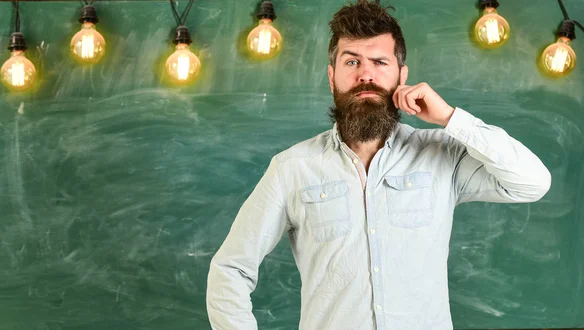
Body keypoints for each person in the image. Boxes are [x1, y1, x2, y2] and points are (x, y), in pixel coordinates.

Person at [206, 1, 552, 329]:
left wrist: (449, 118)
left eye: (380, 63)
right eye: (352, 62)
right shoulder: (291, 169)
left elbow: (532, 182)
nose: (365, 75)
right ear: (332, 77)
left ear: (402, 76)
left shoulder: (442, 155)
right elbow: (231, 269)